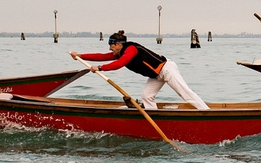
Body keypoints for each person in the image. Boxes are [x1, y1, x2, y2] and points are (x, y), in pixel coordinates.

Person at [74, 31, 209, 110]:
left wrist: (99, 68)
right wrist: (80, 55)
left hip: (166, 69)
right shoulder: (119, 52)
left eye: (111, 46)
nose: (110, 49)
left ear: (119, 44)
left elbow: (120, 64)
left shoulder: (131, 49)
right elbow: (102, 56)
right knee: (146, 96)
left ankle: (206, 112)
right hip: (155, 75)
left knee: (184, 93)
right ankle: (154, 116)